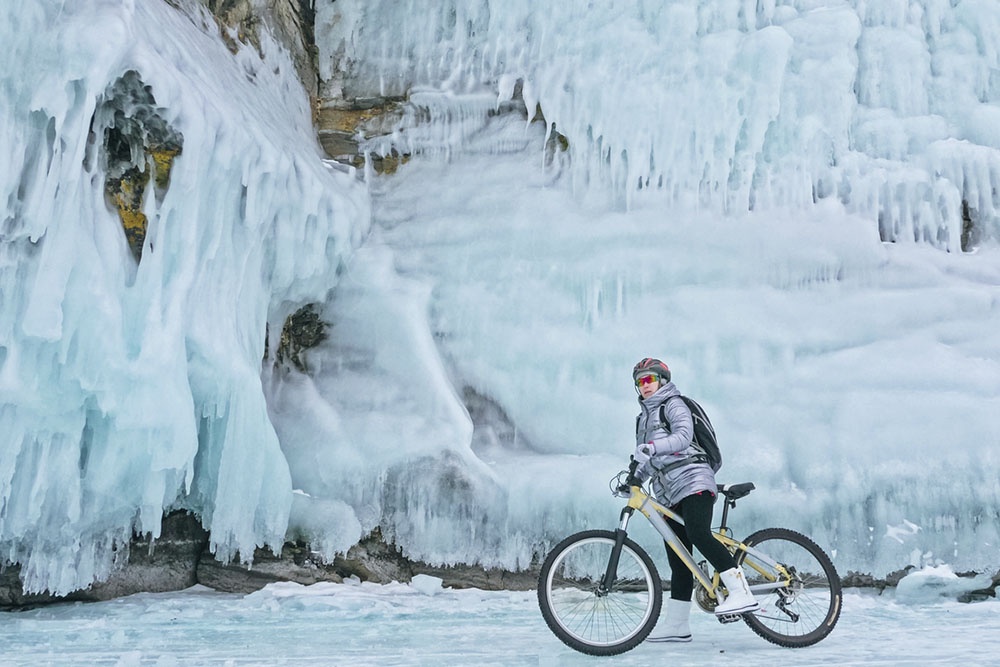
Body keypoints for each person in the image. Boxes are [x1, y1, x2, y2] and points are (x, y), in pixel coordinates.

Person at [630, 357, 758, 643]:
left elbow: (683, 438)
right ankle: (678, 625)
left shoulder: (674, 404)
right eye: (640, 381)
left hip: (693, 480)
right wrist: (636, 477)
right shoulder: (643, 419)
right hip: (668, 492)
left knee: (698, 533)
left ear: (662, 380)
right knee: (680, 559)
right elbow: (653, 459)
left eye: (649, 379)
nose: (644, 385)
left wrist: (651, 447)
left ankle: (740, 592)